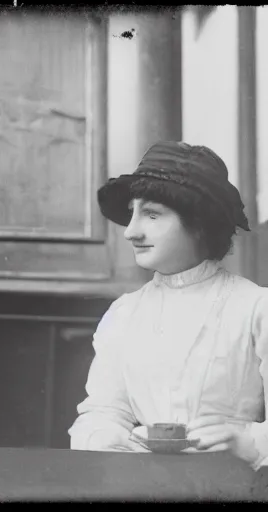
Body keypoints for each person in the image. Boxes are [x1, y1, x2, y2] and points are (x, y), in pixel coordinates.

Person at [68, 141, 268, 470]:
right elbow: (103, 411)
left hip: (235, 483)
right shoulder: (125, 313)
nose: (131, 231)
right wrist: (107, 441)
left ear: (200, 222)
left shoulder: (255, 309)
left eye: (151, 214)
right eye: (132, 214)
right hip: (142, 482)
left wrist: (248, 444)